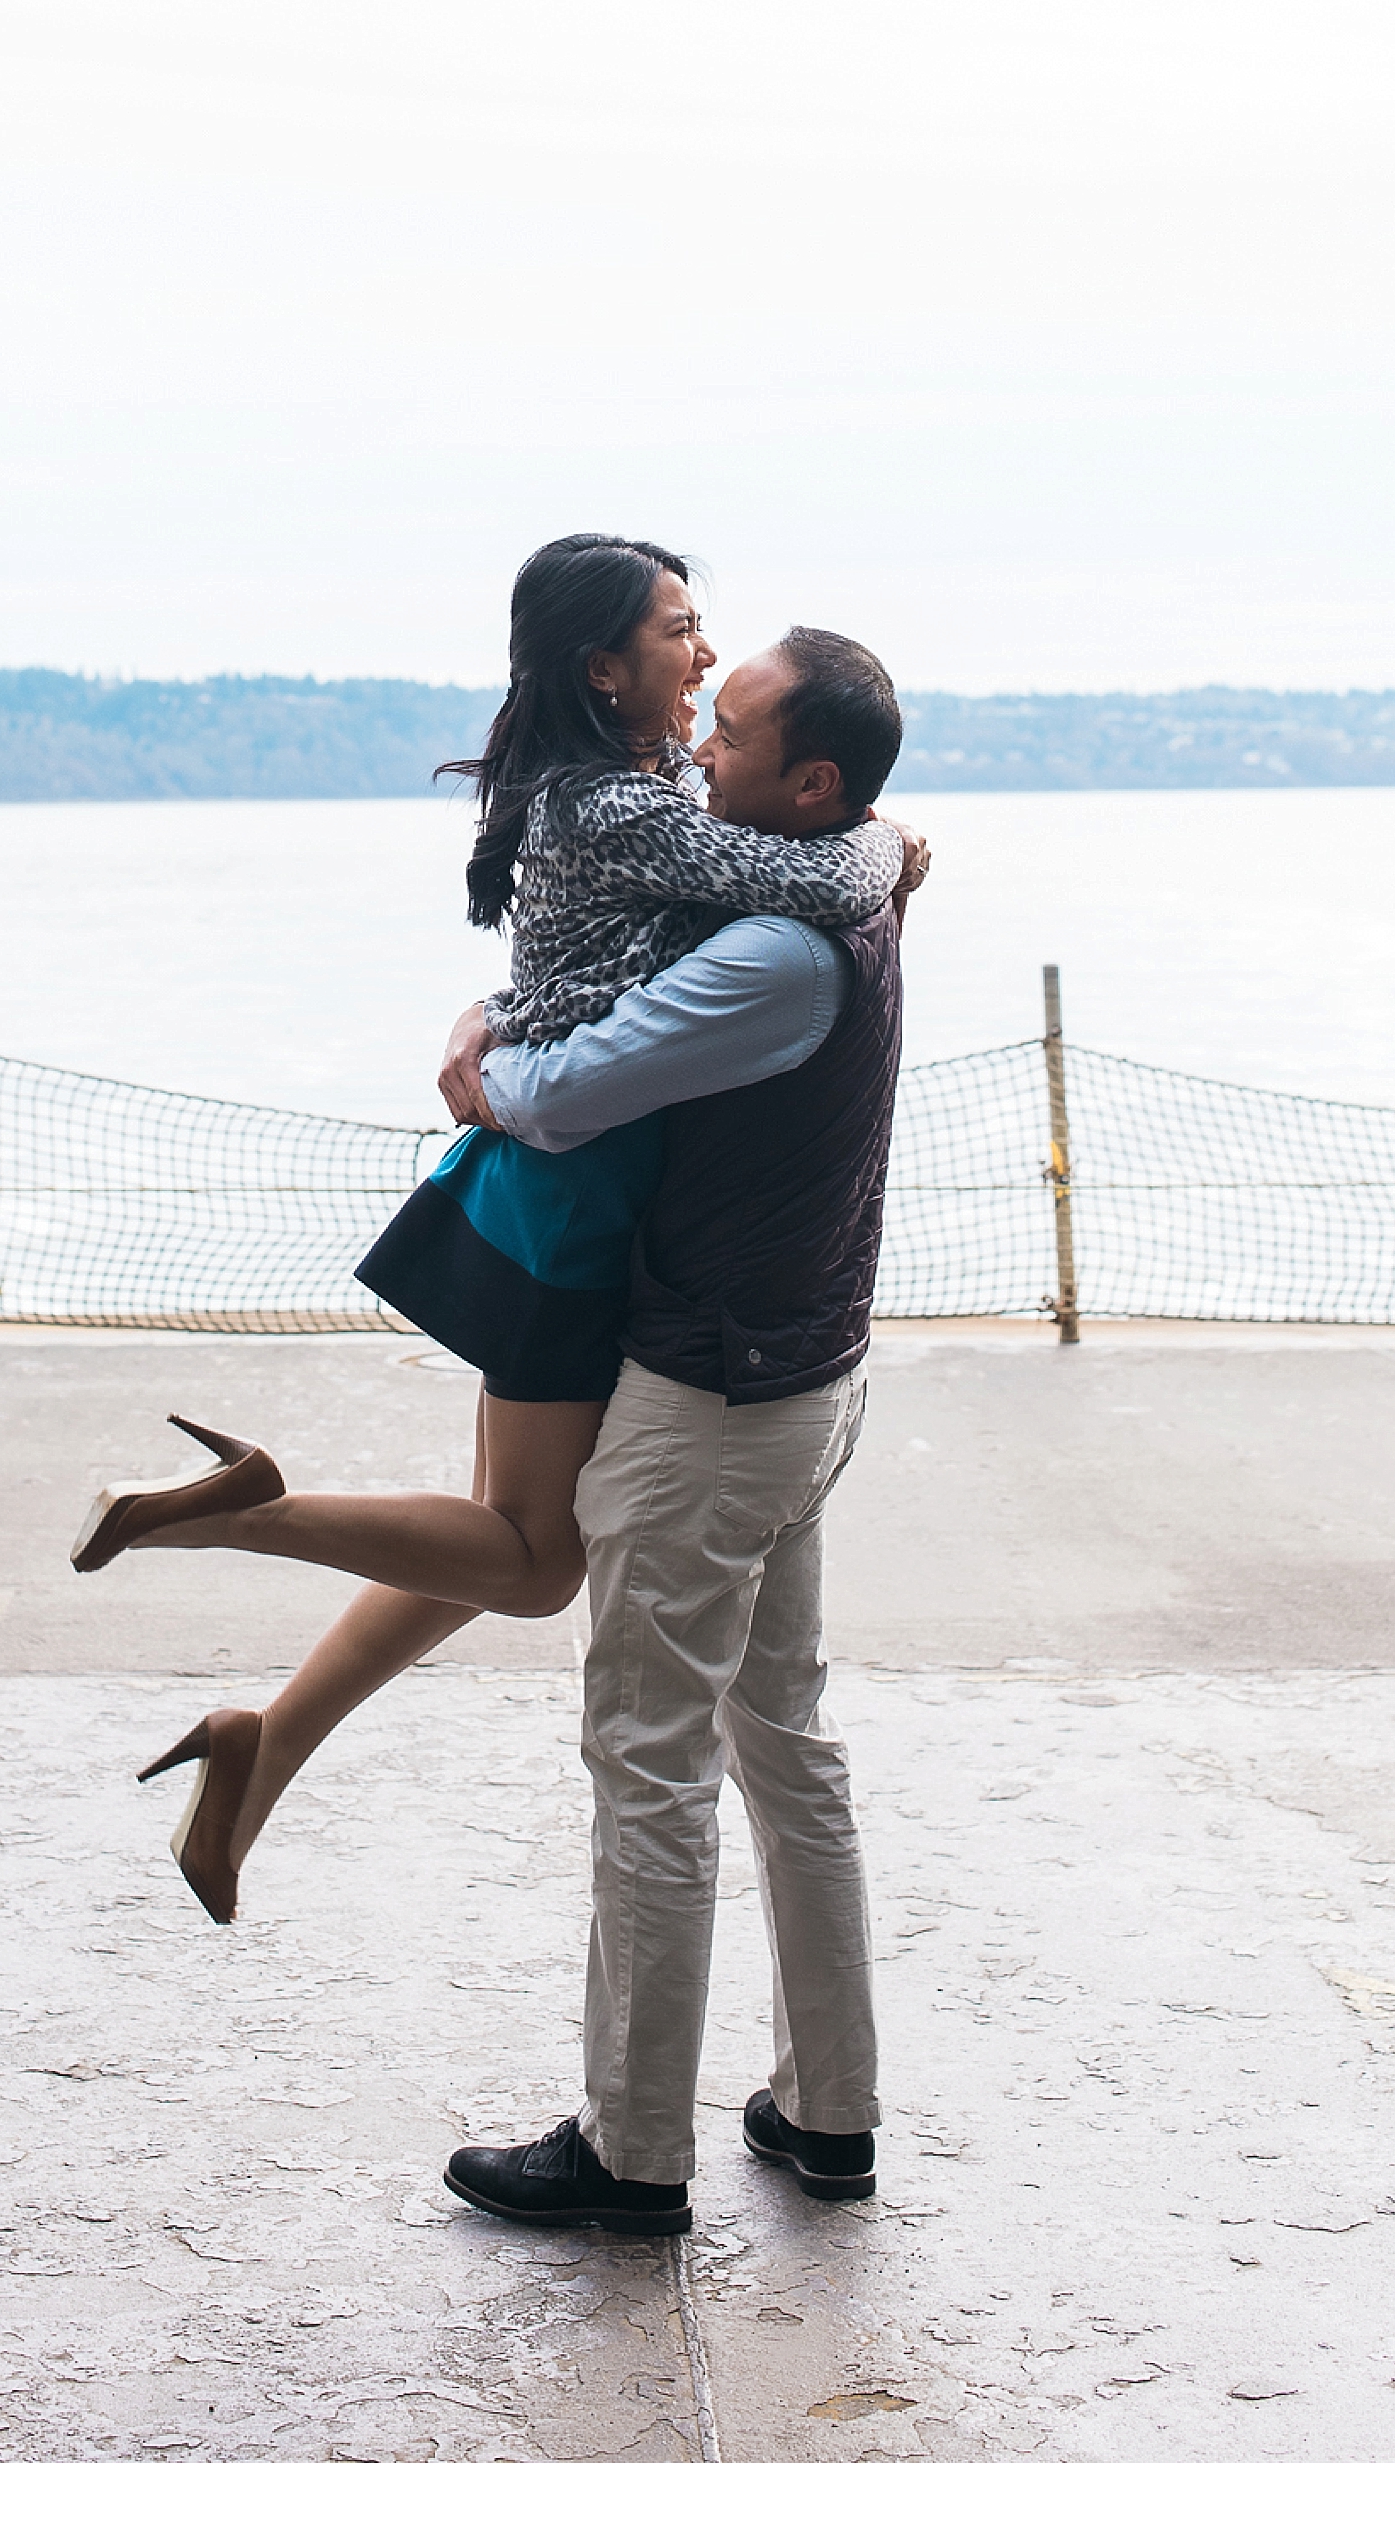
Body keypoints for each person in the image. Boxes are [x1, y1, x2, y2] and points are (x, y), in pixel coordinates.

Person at [67, 549, 919, 1948]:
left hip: (574, 1188)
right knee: (531, 1565)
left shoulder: (630, 792)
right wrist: (895, 843)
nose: (704, 664)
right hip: (573, 1195)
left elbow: (599, 948)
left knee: (491, 1544)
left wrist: (488, 1009)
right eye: (684, 634)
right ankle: (236, 1509)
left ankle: (260, 1743)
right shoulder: (616, 803)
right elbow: (818, 878)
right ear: (605, 666)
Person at [436, 621, 913, 2234]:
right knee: (786, 1745)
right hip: (803, 1380)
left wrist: (480, 1052)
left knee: (649, 1763)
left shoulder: (770, 951)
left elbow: (569, 1094)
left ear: (815, 781)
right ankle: (828, 2113)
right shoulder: (835, 875)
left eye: (737, 737)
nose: (701, 750)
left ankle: (633, 2153)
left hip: (711, 1401)